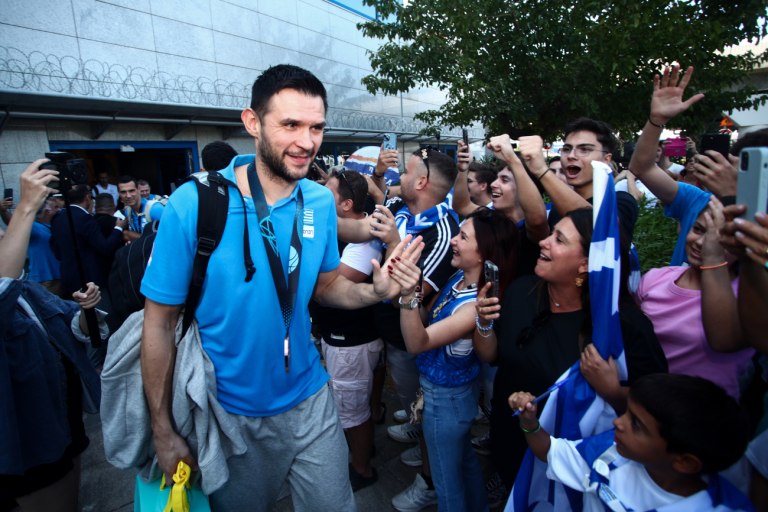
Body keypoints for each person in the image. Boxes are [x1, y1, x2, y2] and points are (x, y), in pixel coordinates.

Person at [140, 64, 423, 511]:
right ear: (252, 123)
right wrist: (163, 429)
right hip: (230, 414)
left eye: (316, 127)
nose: (307, 141)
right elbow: (158, 324)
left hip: (311, 398)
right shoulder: (193, 204)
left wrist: (373, 290)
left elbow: (326, 285)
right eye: (290, 124)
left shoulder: (317, 201)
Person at [474, 209, 668, 491]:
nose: (544, 242)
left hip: (575, 472)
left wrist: (613, 391)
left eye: (559, 239)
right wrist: (483, 323)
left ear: (586, 264)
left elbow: (656, 412)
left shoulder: (621, 327)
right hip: (511, 440)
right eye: (551, 233)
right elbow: (490, 355)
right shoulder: (521, 291)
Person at [390, 208, 519, 512]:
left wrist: (408, 294)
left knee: (447, 486)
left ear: (484, 253)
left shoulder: (473, 306)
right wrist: (414, 294)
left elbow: (417, 342)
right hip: (450, 398)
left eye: (463, 237)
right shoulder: (460, 277)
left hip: (446, 403)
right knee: (465, 465)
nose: (453, 242)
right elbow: (425, 322)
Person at [0, 159, 105, 512]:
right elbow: (2, 289)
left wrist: (88, 309)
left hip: (65, 417)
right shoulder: (11, 292)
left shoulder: (31, 291)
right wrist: (27, 204)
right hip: (31, 433)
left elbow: (78, 330)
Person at [508, 373, 753, 511]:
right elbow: (548, 451)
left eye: (637, 424)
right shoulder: (608, 453)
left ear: (685, 462)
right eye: (626, 412)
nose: (618, 423)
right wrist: (530, 422)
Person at [310, 168, 383, 491]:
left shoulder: (365, 243)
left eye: (327, 192)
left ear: (346, 205)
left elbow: (329, 288)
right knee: (350, 405)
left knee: (352, 410)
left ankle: (361, 468)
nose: (319, 195)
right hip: (338, 337)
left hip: (352, 341)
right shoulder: (342, 231)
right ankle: (360, 449)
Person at [50, 184, 127, 297]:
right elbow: (105, 247)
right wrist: (118, 228)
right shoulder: (85, 219)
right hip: (89, 281)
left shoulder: (58, 218)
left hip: (67, 277)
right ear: (87, 197)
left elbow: (56, 250)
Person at [117, 175, 164, 242]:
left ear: (138, 190)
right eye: (123, 192)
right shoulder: (128, 211)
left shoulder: (155, 209)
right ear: (119, 194)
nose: (128, 196)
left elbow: (172, 234)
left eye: (131, 191)